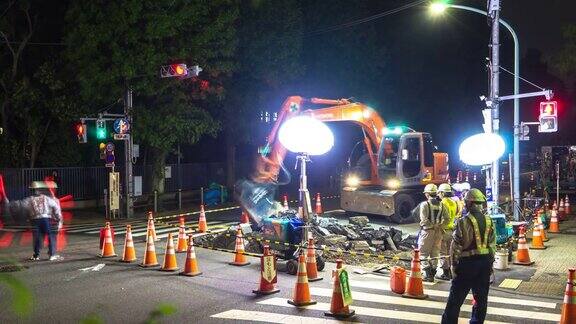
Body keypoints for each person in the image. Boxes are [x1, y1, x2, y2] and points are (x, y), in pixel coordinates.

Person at [442, 188, 496, 324]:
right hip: (484, 264)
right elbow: (492, 246)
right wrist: (490, 265)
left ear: (469, 203)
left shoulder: (462, 222)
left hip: (467, 265)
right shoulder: (490, 221)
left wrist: (454, 267)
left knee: (455, 300)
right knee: (481, 299)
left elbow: (455, 248)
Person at [25, 181, 63, 261]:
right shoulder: (47, 198)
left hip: (35, 220)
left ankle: (36, 255)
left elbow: (27, 210)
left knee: (37, 237)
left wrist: (28, 219)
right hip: (46, 219)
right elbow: (56, 208)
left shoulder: (30, 199)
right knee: (50, 236)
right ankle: (52, 254)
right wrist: (58, 218)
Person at [418, 183, 448, 282]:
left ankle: (427, 274)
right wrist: (440, 226)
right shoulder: (442, 205)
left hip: (427, 231)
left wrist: (432, 225)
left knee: (423, 253)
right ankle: (433, 271)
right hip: (438, 232)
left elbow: (423, 219)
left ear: (427, 194)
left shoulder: (424, 204)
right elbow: (447, 218)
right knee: (435, 253)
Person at [437, 183, 460, 280]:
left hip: (443, 231)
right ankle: (451, 272)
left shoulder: (442, 203)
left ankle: (445, 273)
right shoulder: (454, 202)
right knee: (450, 252)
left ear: (442, 193)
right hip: (451, 230)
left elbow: (440, 217)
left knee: (443, 253)